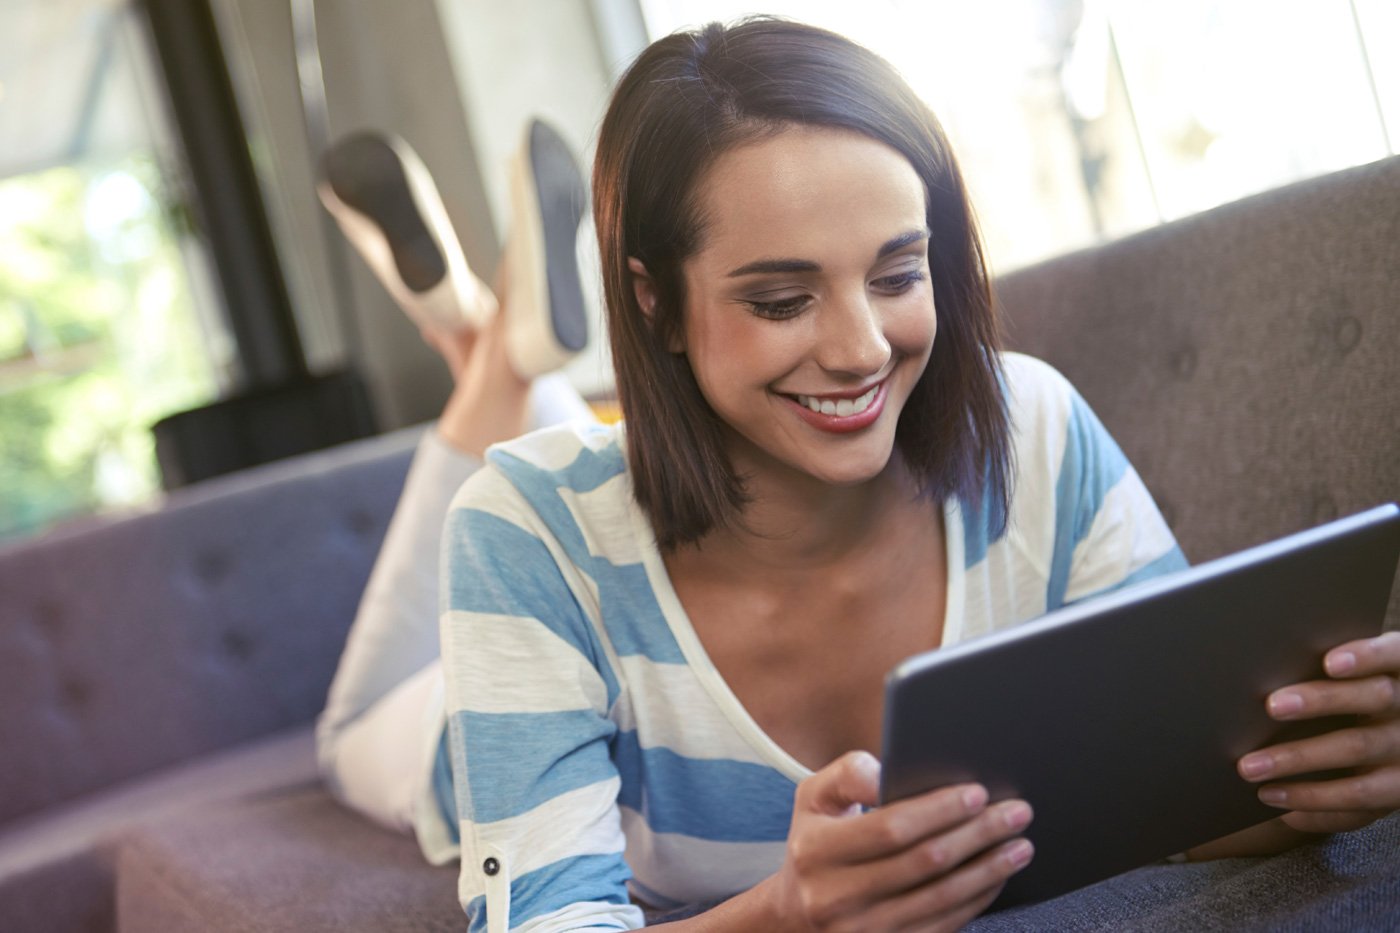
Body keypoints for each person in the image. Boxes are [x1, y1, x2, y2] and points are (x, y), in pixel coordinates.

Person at [322, 18, 1400, 933]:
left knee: (649, 412)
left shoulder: (1029, 425)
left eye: (894, 274)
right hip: (441, 724)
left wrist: (1314, 776)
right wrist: (788, 912)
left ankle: (488, 344)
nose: (861, 349)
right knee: (347, 729)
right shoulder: (524, 534)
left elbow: (1174, 783)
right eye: (781, 300)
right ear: (649, 301)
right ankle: (490, 357)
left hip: (678, 440)